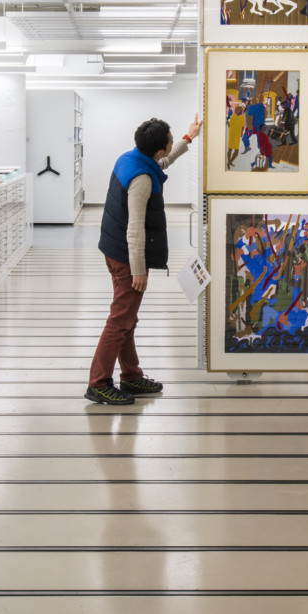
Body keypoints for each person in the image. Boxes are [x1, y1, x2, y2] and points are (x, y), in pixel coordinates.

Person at [87, 114, 203, 406]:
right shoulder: (141, 180)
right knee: (120, 319)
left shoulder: (131, 158)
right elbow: (135, 229)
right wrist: (138, 271)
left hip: (112, 247)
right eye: (170, 139)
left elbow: (161, 163)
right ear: (158, 149)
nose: (171, 142)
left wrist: (189, 138)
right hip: (125, 255)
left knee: (127, 317)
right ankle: (98, 383)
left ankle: (131, 376)